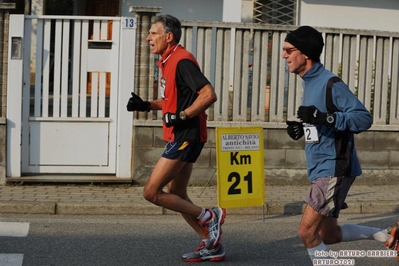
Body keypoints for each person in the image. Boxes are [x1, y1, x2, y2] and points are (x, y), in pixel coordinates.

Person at [282, 25, 399, 265]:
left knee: (306, 233)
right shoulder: (308, 82)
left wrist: (323, 118)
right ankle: (389, 236)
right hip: (321, 167)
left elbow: (362, 118)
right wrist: (303, 127)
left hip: (333, 167)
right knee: (329, 235)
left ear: (305, 53)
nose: (284, 55)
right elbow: (322, 120)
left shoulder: (330, 83)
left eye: (288, 49)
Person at [126, 14, 226, 262]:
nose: (148, 38)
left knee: (151, 192)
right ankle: (211, 244)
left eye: (153, 33)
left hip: (185, 135)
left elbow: (208, 95)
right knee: (177, 193)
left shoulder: (182, 61)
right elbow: (172, 100)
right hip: (186, 134)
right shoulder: (167, 60)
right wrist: (147, 105)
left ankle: (210, 216)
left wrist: (181, 116)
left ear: (168, 36)